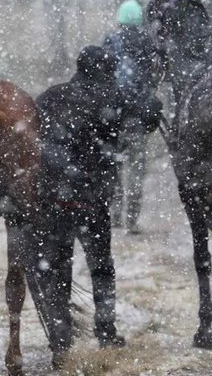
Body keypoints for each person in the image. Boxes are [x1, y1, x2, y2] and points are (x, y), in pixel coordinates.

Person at [35, 45, 160, 351]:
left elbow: (33, 138)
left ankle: (61, 336)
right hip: (93, 198)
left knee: (58, 264)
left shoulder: (50, 97)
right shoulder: (112, 98)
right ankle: (105, 330)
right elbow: (150, 116)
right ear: (105, 71)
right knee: (101, 265)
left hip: (55, 198)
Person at [103, 0, 164, 233]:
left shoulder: (110, 42)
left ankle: (115, 214)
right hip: (137, 117)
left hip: (112, 116)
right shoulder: (148, 44)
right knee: (136, 169)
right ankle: (132, 219)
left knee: (113, 165)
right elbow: (154, 76)